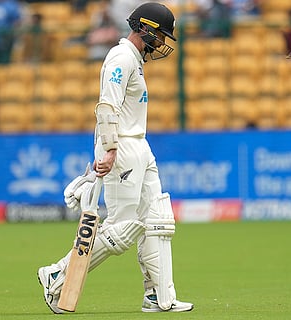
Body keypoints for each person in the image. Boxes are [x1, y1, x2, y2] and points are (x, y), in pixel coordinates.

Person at [37, 2, 194, 314]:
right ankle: (57, 275)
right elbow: (107, 107)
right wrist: (109, 149)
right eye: (160, 35)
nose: (162, 43)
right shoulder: (121, 57)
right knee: (122, 228)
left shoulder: (134, 60)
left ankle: (157, 296)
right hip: (122, 148)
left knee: (157, 220)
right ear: (145, 29)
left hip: (139, 145)